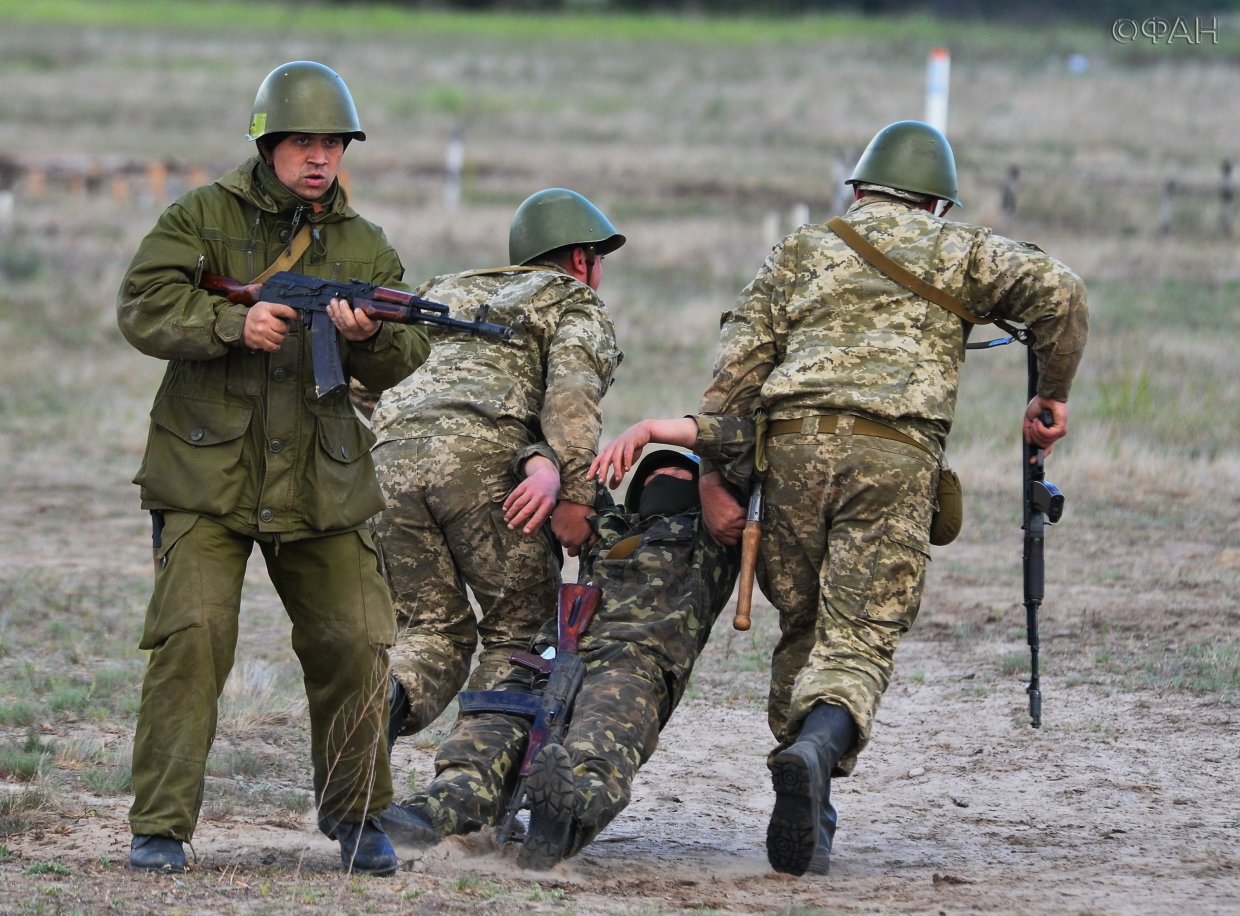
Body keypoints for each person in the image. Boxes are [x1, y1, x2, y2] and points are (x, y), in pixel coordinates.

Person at [602, 121, 1089, 878]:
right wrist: (1050, 397)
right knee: (857, 634)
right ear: (937, 204)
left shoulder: (802, 249)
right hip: (893, 457)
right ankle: (817, 749)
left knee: (805, 625)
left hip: (789, 455)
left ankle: (809, 805)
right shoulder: (962, 249)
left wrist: (712, 476)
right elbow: (1061, 293)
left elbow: (737, 373)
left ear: (859, 190)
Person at [117, 60, 429, 876]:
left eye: (332, 142)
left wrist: (368, 337)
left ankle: (361, 817)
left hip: (322, 481)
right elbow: (143, 303)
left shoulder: (363, 242)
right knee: (193, 637)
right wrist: (230, 322)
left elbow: (408, 352)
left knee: (359, 641)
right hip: (206, 477)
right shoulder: (202, 216)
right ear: (268, 143)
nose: (319, 157)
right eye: (302, 141)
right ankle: (159, 827)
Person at [378, 447, 742, 869]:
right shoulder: (607, 525)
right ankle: (432, 812)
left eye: (683, 478)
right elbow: (570, 476)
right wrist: (552, 471)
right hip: (552, 651)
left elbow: (743, 459)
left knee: (600, 747)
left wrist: (710, 477)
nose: (669, 482)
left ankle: (560, 823)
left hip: (633, 662)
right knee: (491, 728)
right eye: (658, 474)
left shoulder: (713, 541)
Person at [369, 188, 625, 750]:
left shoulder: (443, 289)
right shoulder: (572, 298)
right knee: (522, 633)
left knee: (427, 628)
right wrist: (576, 494)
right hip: (486, 474)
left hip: (386, 467)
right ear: (582, 259)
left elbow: (373, 379)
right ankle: (468, 787)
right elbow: (572, 394)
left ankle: (374, 708)